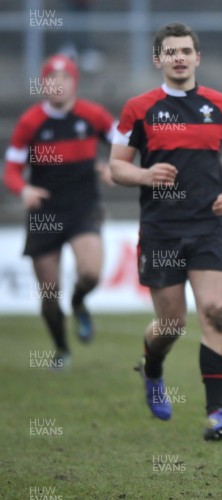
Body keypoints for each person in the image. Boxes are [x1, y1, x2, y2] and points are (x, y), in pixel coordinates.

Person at [109, 23, 222, 439]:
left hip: (209, 226)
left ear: (197, 57)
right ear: (158, 59)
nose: (179, 57)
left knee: (214, 311)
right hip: (161, 231)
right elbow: (115, 166)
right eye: (170, 52)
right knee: (171, 324)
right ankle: (152, 368)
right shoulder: (139, 108)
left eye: (186, 51)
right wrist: (144, 173)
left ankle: (216, 414)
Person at [3, 54, 115, 368]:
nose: (58, 84)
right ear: (43, 83)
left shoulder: (93, 116)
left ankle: (79, 303)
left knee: (91, 273)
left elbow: (125, 143)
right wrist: (23, 189)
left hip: (83, 208)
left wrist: (114, 168)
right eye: (52, 79)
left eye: (65, 78)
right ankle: (62, 349)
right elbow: (10, 169)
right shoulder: (30, 123)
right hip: (45, 212)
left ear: (74, 83)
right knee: (49, 293)